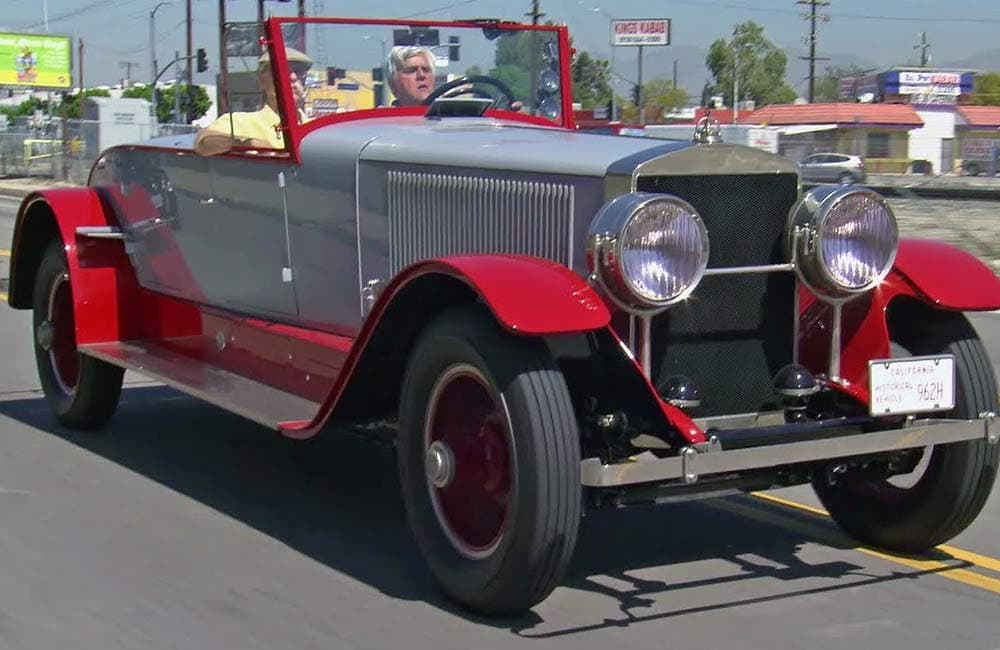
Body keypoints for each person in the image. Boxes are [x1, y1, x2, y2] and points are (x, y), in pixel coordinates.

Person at [194, 47, 312, 156]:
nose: (293, 77)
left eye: (299, 72)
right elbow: (204, 142)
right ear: (261, 80)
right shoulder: (241, 122)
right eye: (282, 70)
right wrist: (247, 143)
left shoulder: (317, 129)